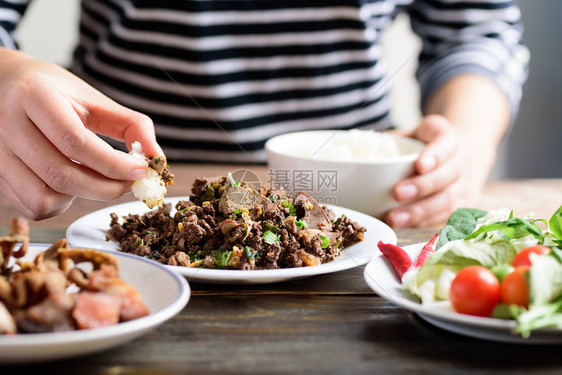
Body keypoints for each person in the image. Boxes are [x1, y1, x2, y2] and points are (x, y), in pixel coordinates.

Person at [0, 0, 528, 228]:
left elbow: (474, 30)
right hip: (94, 192)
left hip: (362, 209)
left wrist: (465, 142)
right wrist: (9, 75)